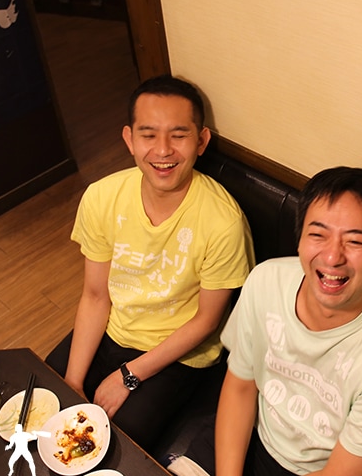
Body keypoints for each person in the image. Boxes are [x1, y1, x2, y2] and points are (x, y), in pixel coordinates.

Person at [46, 75, 255, 451]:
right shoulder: (102, 197)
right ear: (129, 139)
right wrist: (72, 381)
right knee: (45, 407)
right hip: (114, 329)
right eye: (149, 134)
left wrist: (128, 376)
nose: (163, 150)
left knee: (109, 446)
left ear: (201, 141)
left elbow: (207, 321)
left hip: (179, 353)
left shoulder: (223, 221)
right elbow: (95, 296)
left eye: (178, 135)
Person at [213, 167, 362, 476]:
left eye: (355, 241)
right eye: (318, 234)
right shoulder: (266, 281)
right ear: (300, 240)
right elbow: (241, 386)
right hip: (260, 444)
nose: (331, 256)